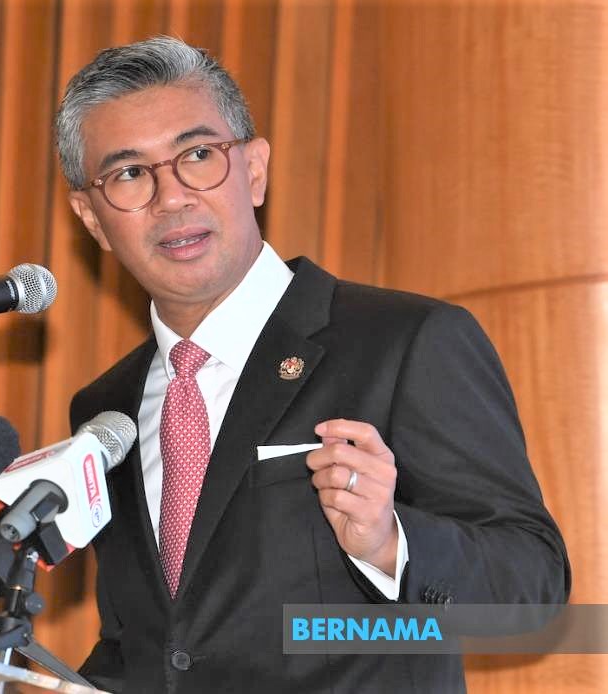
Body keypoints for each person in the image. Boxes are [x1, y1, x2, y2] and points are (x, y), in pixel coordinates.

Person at [57, 36, 569, 693]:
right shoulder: (106, 410)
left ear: (255, 170)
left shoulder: (404, 342)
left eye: (199, 156)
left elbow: (533, 589)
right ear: (92, 218)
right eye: (130, 173)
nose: (171, 197)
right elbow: (157, 645)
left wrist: (390, 544)